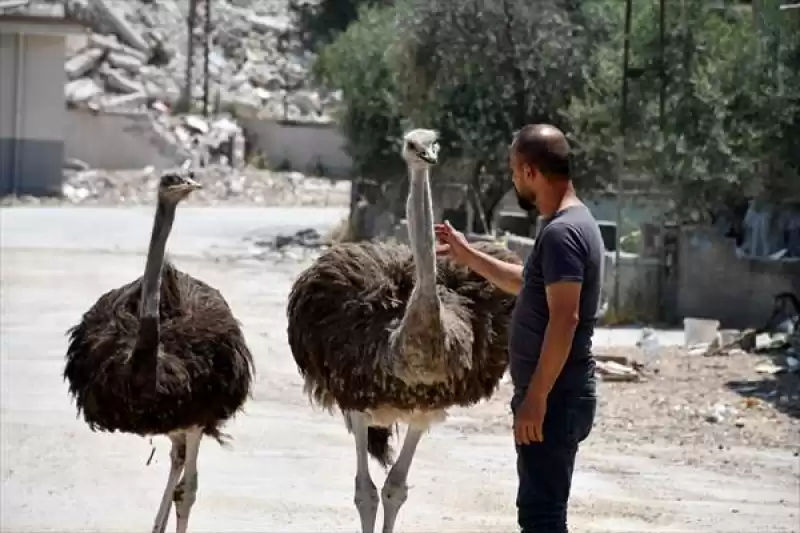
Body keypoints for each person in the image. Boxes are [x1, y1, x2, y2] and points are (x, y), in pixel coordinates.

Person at [435, 124, 604, 533]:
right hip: (557, 394)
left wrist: (537, 397)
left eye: (513, 170)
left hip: (556, 397)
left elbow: (566, 319)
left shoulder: (564, 233)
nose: (512, 180)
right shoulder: (564, 224)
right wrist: (467, 255)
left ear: (530, 171)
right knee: (541, 513)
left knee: (541, 518)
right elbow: (528, 282)